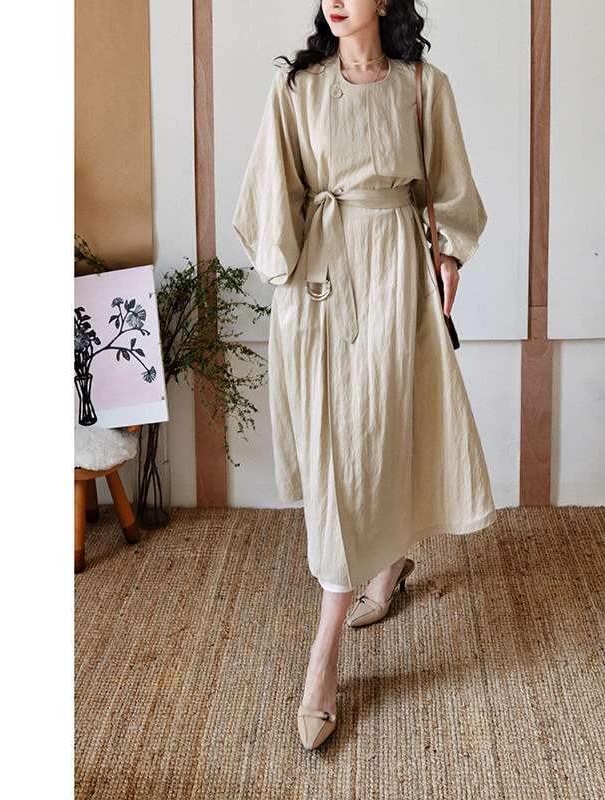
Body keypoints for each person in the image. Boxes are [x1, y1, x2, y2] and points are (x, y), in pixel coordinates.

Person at [232, 0, 496, 751]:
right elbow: (269, 190)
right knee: (336, 454)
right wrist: (286, 277)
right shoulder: (297, 88)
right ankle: (372, 585)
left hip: (395, 278)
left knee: (383, 429)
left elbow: (449, 186)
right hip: (319, 281)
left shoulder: (422, 85)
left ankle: (334, 641)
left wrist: (448, 257)